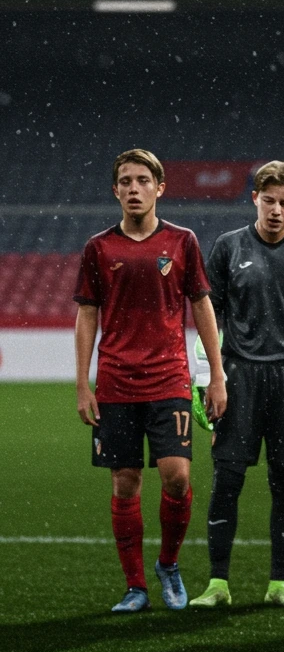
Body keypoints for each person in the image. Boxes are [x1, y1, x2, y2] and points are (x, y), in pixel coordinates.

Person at [74, 148, 227, 613]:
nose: (134, 188)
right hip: (117, 382)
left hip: (169, 379)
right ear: (115, 189)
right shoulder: (99, 248)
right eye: (126, 181)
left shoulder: (182, 242)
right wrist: (83, 382)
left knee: (177, 478)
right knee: (125, 481)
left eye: (143, 180)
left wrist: (215, 373)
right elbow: (86, 315)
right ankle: (136, 586)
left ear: (159, 188)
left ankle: (168, 563)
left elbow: (202, 306)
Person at [188, 161, 284, 609]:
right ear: (255, 199)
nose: (275, 209)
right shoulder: (228, 248)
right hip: (240, 376)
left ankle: (279, 583)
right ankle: (217, 583)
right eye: (268, 200)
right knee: (227, 479)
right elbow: (208, 315)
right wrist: (208, 377)